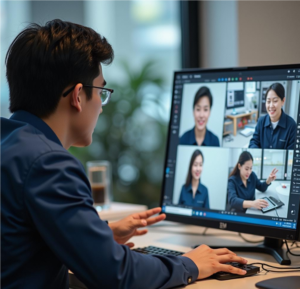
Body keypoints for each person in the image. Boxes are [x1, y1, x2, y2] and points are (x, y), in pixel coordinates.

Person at [0, 20, 248, 289]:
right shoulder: (48, 163)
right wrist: (191, 264)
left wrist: (100, 235)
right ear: (78, 96)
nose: (102, 107)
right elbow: (117, 274)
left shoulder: (10, 143)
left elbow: (23, 234)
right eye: (101, 92)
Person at [249, 83, 296, 149]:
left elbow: (291, 153)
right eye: (268, 101)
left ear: (283, 101)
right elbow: (253, 142)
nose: (271, 106)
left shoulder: (291, 125)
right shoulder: (261, 121)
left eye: (275, 101)